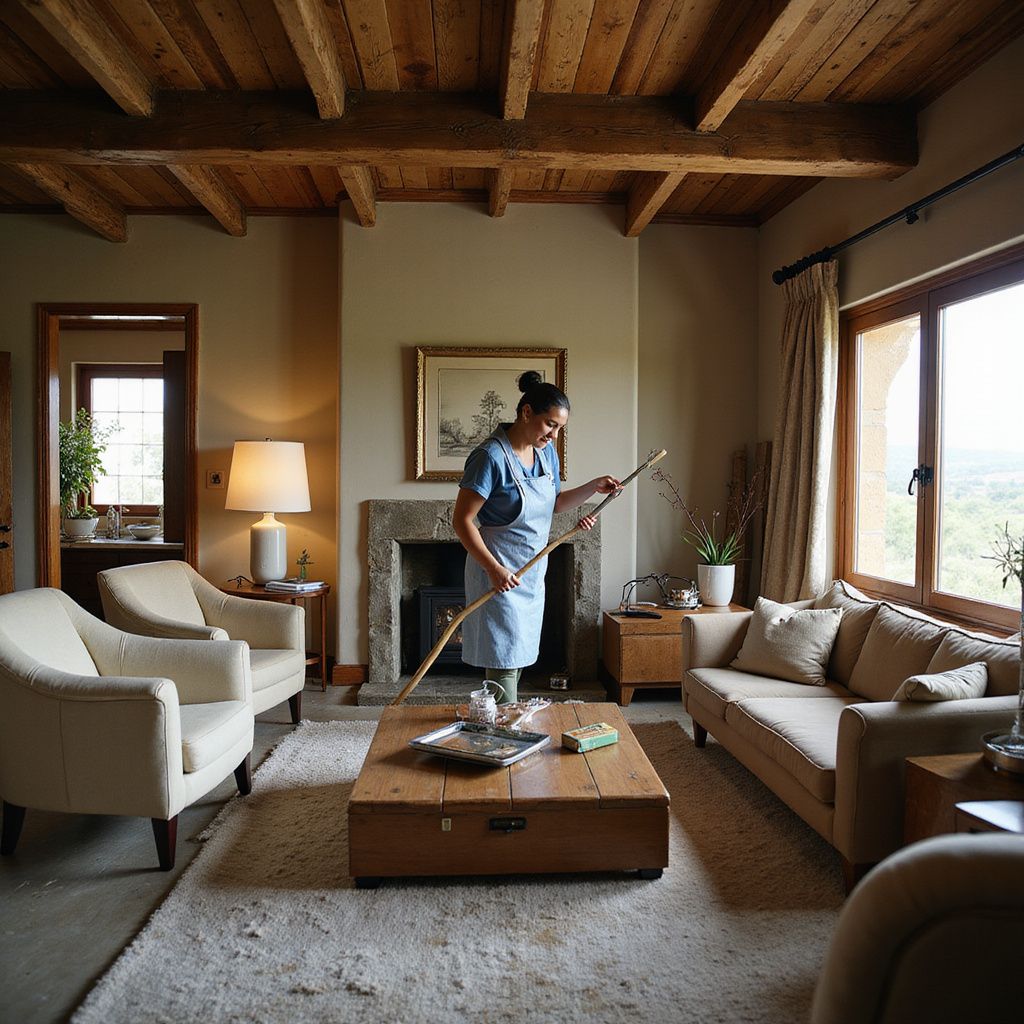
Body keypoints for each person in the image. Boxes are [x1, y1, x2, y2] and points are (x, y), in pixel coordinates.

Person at [453, 371, 621, 704]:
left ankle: (500, 724)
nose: (554, 435)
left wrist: (593, 487)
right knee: (502, 659)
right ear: (526, 412)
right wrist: (493, 569)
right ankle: (501, 732)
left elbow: (554, 503)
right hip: (497, 573)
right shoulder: (490, 457)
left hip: (529, 575)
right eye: (550, 425)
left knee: (516, 657)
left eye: (560, 428)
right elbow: (462, 521)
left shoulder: (546, 455)